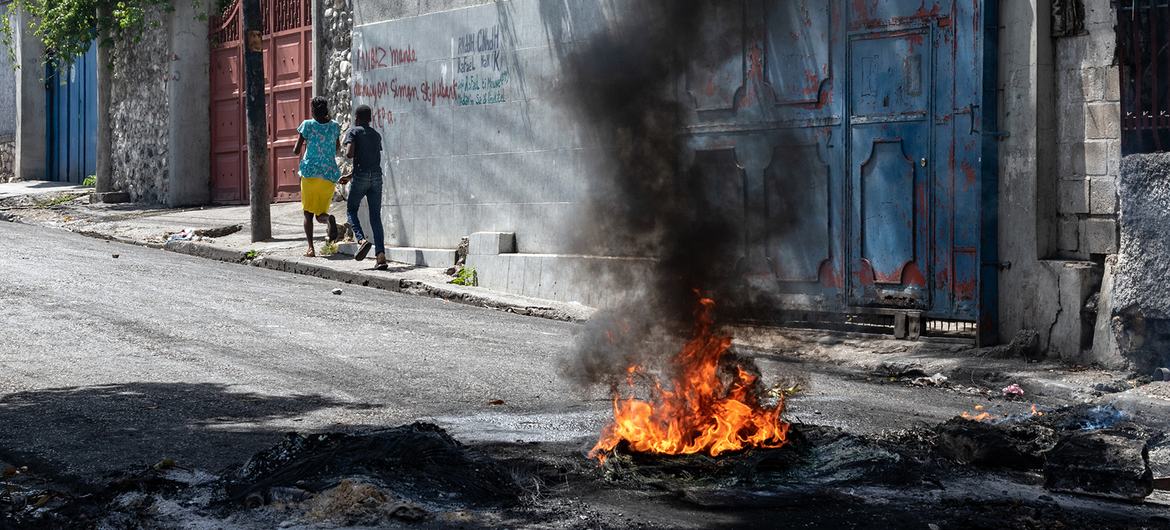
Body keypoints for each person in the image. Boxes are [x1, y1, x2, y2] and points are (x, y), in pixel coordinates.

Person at [340, 104, 387, 270]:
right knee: (375, 216)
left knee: (351, 210)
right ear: (370, 119)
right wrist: (350, 175)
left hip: (361, 177)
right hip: (376, 177)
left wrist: (349, 144)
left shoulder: (353, 131)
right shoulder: (376, 135)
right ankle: (380, 256)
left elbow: (350, 154)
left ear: (356, 118)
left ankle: (361, 240)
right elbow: (371, 159)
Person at [293, 96, 341, 257]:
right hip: (328, 174)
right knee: (320, 213)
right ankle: (328, 220)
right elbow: (337, 149)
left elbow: (296, 150)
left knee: (308, 213)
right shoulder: (334, 126)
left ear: (312, 110)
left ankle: (310, 248)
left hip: (310, 173)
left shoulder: (307, 125)